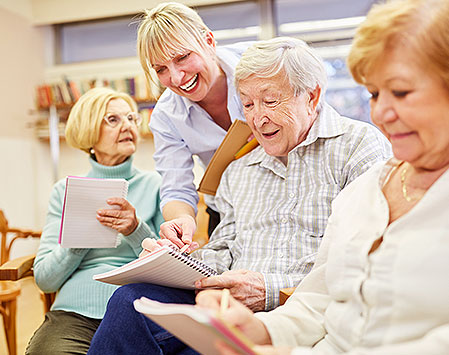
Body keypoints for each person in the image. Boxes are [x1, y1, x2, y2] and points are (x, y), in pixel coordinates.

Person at [87, 37, 391, 355]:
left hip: (299, 308)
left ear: (311, 96)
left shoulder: (358, 145)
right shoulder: (239, 170)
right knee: (130, 300)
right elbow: (222, 250)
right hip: (228, 304)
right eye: (247, 104)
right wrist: (175, 259)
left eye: (270, 101)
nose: (257, 119)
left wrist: (269, 290)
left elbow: (362, 261)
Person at [196, 0, 449, 354]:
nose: (382, 113)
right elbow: (319, 297)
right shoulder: (365, 191)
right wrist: (258, 329)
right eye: (374, 94)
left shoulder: (355, 152)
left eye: (402, 92)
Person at [26, 87, 164, 355]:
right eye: (113, 119)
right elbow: (45, 279)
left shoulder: (155, 185)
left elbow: (168, 269)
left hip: (136, 310)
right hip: (74, 313)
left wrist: (136, 231)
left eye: (131, 118)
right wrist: (80, 238)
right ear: (89, 130)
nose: (127, 125)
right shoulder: (64, 191)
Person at [137, 2, 251, 245]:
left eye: (183, 57)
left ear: (209, 41)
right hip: (229, 215)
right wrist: (182, 221)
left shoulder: (257, 65)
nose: (176, 78)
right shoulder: (167, 116)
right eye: (161, 69)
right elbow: (176, 189)